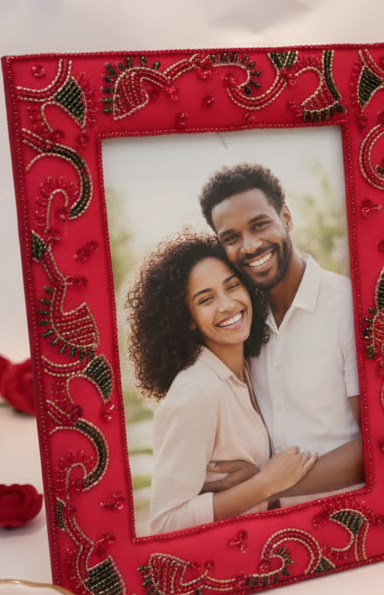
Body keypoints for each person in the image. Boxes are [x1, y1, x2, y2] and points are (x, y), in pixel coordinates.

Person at [126, 231, 318, 535]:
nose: (228, 305)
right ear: (187, 318)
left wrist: (256, 477)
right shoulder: (195, 393)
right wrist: (265, 484)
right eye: (206, 299)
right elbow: (166, 522)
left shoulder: (254, 366)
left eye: (232, 286)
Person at [198, 163, 364, 502]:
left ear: (286, 218)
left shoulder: (347, 305)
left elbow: (377, 446)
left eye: (260, 225)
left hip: (349, 515)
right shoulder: (241, 322)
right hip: (270, 526)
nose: (249, 246)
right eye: (231, 238)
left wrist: (263, 486)